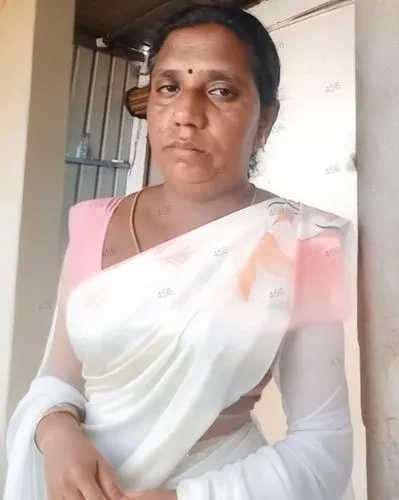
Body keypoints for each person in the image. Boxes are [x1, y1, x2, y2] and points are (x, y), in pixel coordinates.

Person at [4, 4, 355, 500]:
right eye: (169, 86)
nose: (187, 114)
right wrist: (56, 432)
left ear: (265, 120)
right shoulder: (92, 223)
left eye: (220, 91)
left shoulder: (303, 241)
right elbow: (58, 380)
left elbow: (324, 449)